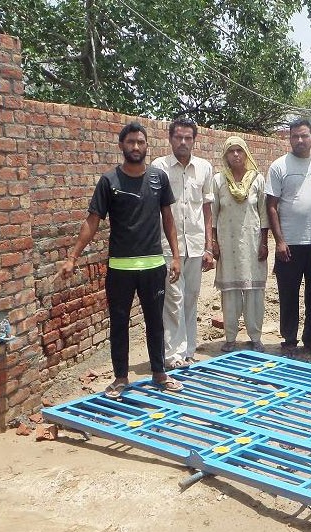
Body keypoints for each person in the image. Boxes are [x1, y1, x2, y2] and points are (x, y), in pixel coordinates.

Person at [60, 121, 184, 398]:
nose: (136, 146)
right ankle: (120, 378)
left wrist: (175, 257)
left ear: (146, 146)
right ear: (121, 146)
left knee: (155, 322)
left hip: (153, 265)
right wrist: (72, 257)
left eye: (140, 142)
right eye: (131, 142)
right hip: (120, 268)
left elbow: (168, 219)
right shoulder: (109, 181)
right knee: (118, 323)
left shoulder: (158, 178)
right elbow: (92, 222)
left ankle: (160, 373)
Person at [152, 118, 216, 368]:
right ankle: (173, 354)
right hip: (169, 246)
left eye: (188, 138)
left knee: (191, 297)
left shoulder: (204, 168)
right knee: (173, 298)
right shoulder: (159, 167)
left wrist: (209, 247)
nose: (183, 142)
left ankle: (189, 350)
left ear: (194, 140)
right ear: (170, 139)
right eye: (178, 137)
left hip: (196, 244)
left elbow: (207, 209)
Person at [266, 118, 311, 358]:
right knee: (288, 293)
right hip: (289, 244)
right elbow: (271, 206)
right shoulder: (279, 166)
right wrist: (279, 241)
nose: (300, 140)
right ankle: (289, 340)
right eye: (295, 136)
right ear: (289, 138)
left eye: (304, 136)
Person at [209, 136, 270, 352]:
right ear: (225, 155)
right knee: (230, 292)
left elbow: (263, 214)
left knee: (254, 292)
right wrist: (213, 242)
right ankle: (230, 338)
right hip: (227, 244)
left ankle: (255, 337)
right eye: (231, 151)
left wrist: (264, 243)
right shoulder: (218, 181)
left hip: (253, 244)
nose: (236, 154)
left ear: (246, 154)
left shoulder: (257, 180)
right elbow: (213, 215)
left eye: (240, 150)